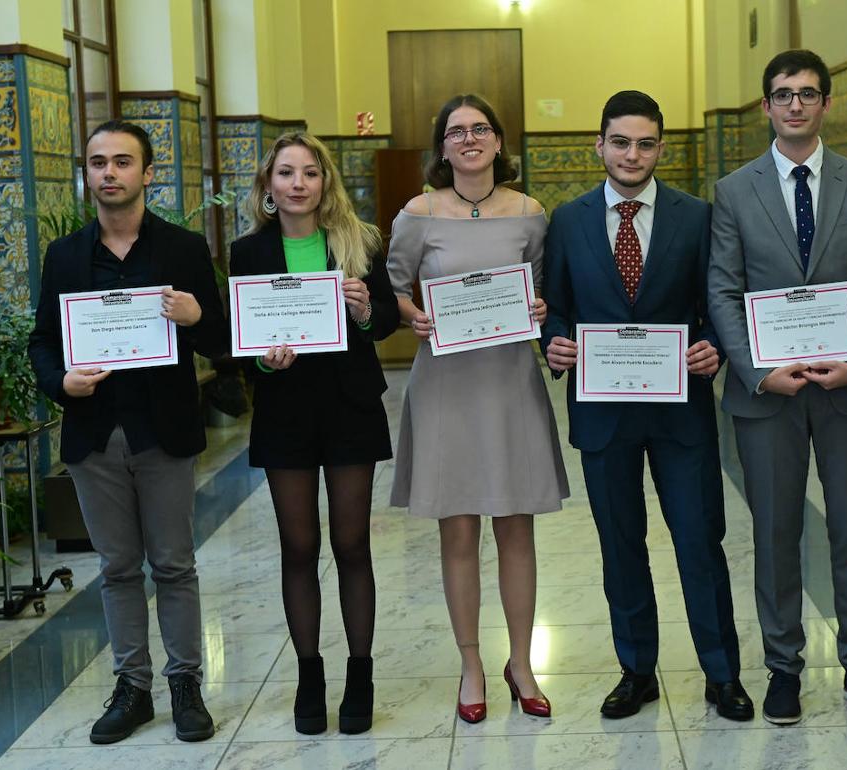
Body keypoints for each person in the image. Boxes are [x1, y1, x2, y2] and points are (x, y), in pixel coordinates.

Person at [707, 49, 847, 725]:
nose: (795, 105)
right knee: (776, 532)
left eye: (808, 94)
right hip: (769, 394)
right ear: (766, 105)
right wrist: (760, 370)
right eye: (783, 95)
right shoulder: (734, 190)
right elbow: (723, 292)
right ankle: (783, 668)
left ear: (826, 103)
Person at [541, 91, 752, 721]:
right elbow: (556, 306)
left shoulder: (696, 217)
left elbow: (717, 300)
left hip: (679, 411)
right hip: (603, 415)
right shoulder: (569, 219)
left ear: (662, 148)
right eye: (621, 141)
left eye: (646, 143)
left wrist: (714, 346)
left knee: (699, 541)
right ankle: (637, 670)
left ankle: (722, 674)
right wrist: (553, 345)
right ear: (599, 145)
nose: (633, 154)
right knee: (621, 546)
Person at [28, 120, 225, 744]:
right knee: (116, 568)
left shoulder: (183, 248)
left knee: (173, 563)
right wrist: (62, 382)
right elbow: (41, 344)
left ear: (146, 172)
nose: (108, 173)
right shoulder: (64, 255)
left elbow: (223, 341)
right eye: (97, 163)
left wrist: (195, 318)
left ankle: (186, 684)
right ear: (86, 175)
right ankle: (132, 688)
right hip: (93, 434)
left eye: (121, 162)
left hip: (162, 430)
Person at [387, 94, 569, 723]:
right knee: (458, 527)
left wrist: (542, 308)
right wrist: (415, 314)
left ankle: (521, 661)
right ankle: (471, 662)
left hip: (510, 382)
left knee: (516, 526)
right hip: (445, 386)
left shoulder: (529, 212)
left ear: (498, 142)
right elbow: (393, 288)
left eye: (481, 129)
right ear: (442, 147)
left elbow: (544, 285)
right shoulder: (418, 212)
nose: (469, 139)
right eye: (456, 131)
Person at [229, 132, 399, 735]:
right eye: (285, 173)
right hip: (285, 410)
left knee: (352, 546)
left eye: (310, 173)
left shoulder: (359, 242)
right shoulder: (247, 253)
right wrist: (260, 360)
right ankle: (309, 672)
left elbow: (385, 323)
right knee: (297, 548)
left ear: (325, 183)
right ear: (269, 186)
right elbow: (241, 339)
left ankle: (360, 672)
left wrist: (363, 311)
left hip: (350, 406)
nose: (298, 183)